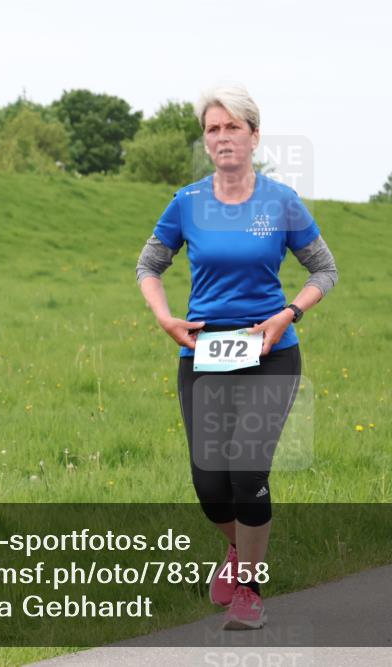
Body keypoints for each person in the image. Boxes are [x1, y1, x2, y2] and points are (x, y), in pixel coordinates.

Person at [135, 84, 338, 630]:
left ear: (253, 135)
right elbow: (148, 266)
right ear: (206, 141)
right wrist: (165, 316)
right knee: (210, 485)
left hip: (271, 352)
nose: (222, 138)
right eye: (212, 129)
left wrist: (288, 313)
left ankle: (248, 586)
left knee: (248, 473)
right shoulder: (188, 202)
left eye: (232, 128)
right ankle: (238, 551)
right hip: (204, 353)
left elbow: (325, 270)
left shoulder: (281, 202)